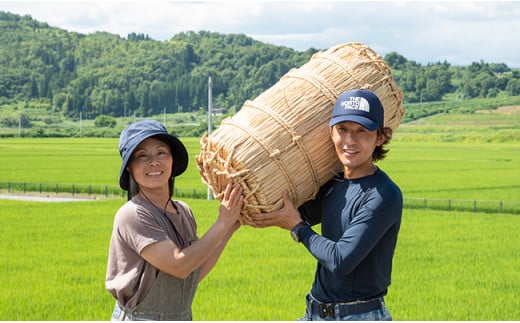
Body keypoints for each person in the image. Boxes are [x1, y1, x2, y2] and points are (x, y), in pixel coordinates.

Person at [250, 89, 403, 321]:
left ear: (380, 137)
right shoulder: (333, 184)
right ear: (331, 132)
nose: (349, 141)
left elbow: (340, 260)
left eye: (361, 131)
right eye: (342, 130)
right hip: (314, 311)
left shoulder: (383, 195)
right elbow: (293, 212)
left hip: (358, 315)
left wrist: (298, 228)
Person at [106, 119, 243, 321]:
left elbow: (194, 272)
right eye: (142, 156)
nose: (154, 162)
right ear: (129, 168)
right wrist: (221, 222)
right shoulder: (133, 214)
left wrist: (228, 230)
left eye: (162, 152)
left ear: (172, 159)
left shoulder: (183, 211)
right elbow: (180, 265)